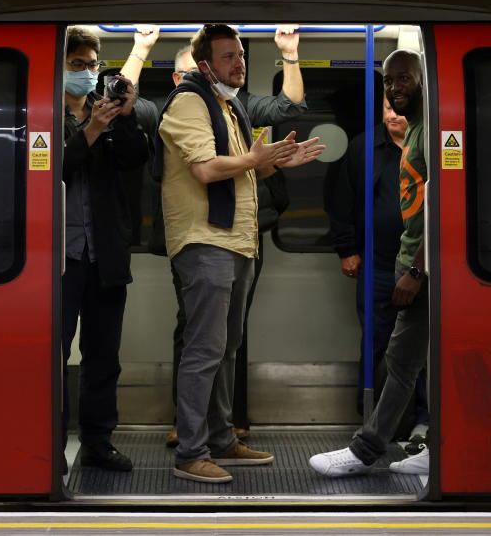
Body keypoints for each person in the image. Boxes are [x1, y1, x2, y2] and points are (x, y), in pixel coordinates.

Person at [155, 24, 324, 483]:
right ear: (204, 64)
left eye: (241, 55)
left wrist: (275, 161)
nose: (239, 64)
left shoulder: (228, 108)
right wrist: (254, 159)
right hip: (206, 240)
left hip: (237, 240)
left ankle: (222, 439)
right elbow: (207, 169)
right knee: (204, 348)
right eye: (228, 56)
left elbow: (241, 171)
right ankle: (191, 453)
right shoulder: (190, 102)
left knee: (226, 348)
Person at [309, 49, 431, 477]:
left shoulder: (432, 135)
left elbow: (441, 209)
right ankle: (391, 442)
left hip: (424, 271)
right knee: (397, 358)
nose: (395, 89)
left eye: (405, 80)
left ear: (424, 81)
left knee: (412, 359)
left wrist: (417, 269)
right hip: (390, 265)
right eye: (389, 83)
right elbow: (342, 202)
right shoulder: (380, 143)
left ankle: (399, 442)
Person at [61, 26, 159, 473]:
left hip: (105, 254)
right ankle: (49, 440)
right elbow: (55, 166)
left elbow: (136, 159)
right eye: (76, 65)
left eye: (91, 66)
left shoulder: (111, 114)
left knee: (103, 356)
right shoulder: (45, 114)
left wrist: (126, 114)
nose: (85, 73)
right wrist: (91, 131)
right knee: (53, 354)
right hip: (58, 258)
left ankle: (99, 441)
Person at [328, 96, 430, 444]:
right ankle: (371, 420)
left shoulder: (428, 142)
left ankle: (422, 420)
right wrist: (347, 249)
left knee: (417, 346)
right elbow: (343, 200)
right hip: (378, 262)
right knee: (375, 341)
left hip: (422, 264)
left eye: (397, 108)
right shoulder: (364, 147)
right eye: (386, 107)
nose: (391, 114)